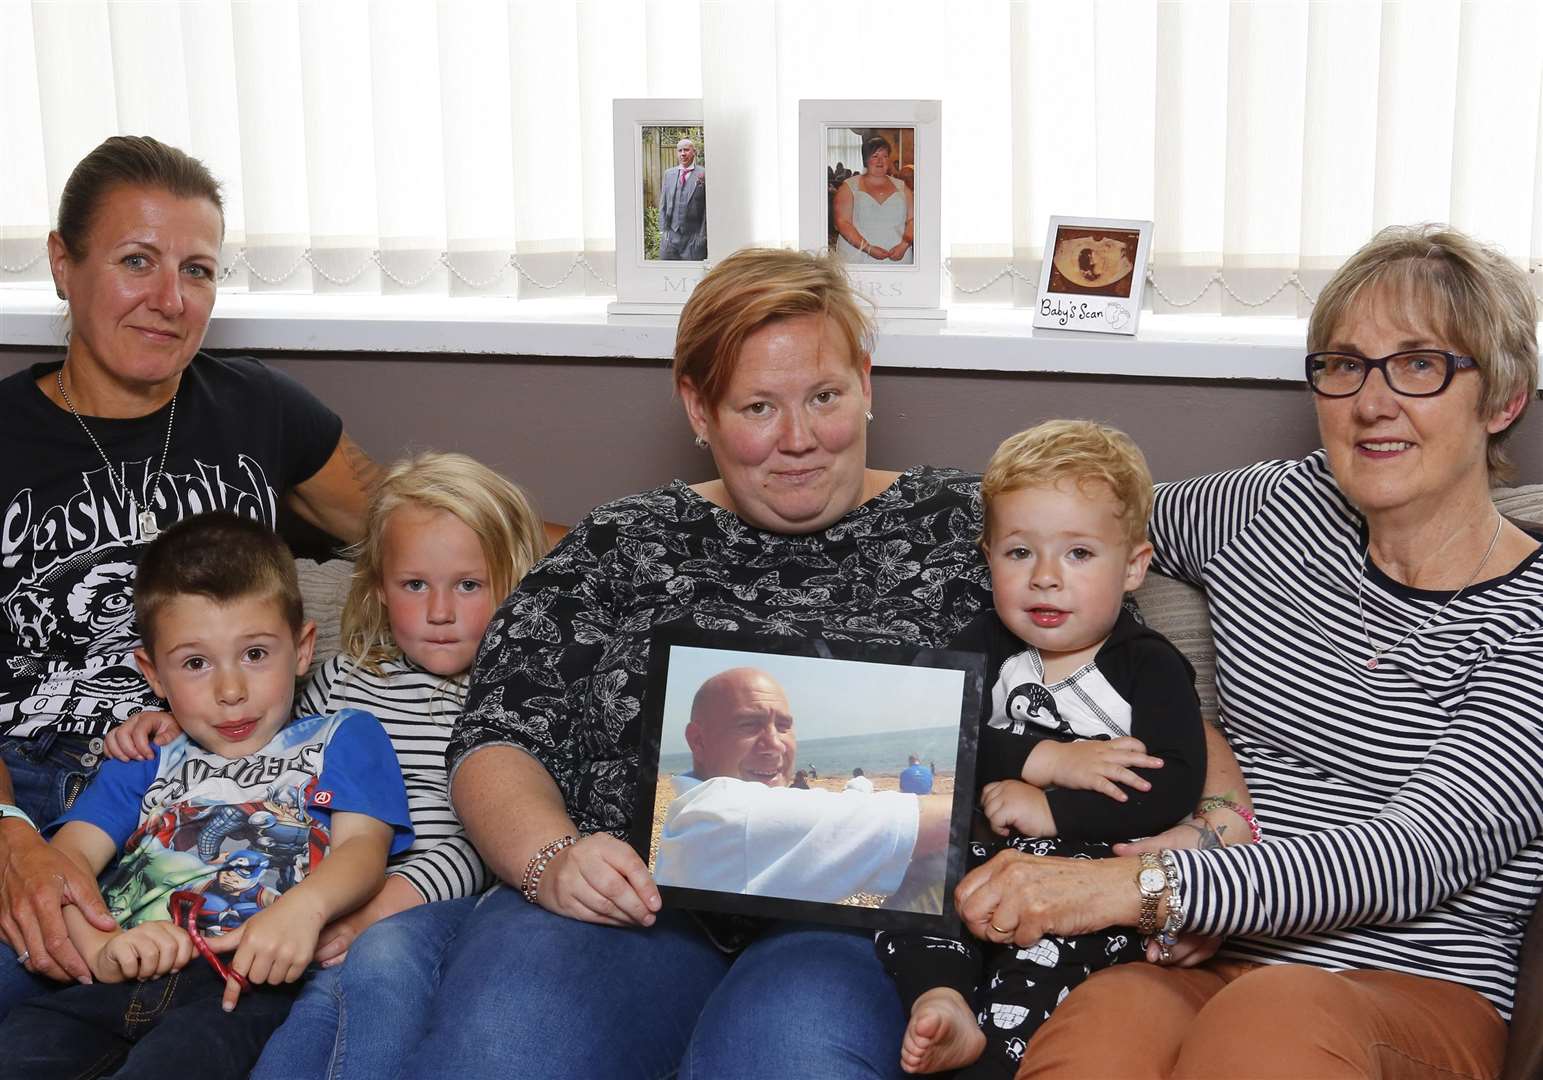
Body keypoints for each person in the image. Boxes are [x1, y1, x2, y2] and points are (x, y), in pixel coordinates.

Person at [365, 247, 1234, 1080]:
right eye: (756, 408)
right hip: (621, 906)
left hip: (863, 930)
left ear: (866, 383)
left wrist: (1199, 856)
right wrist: (549, 858)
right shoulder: (622, 543)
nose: (797, 440)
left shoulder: (976, 529)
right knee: (511, 1037)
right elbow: (497, 732)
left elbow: (1124, 689)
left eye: (823, 395)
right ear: (698, 409)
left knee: (789, 1047)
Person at [956, 225, 1541, 1079]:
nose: (1370, 403)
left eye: (1419, 365)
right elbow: (1077, 525)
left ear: (1502, 400)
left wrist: (1144, 888)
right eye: (1344, 365)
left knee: (1274, 1017)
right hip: (1207, 958)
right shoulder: (1273, 508)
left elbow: (1409, 856)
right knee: (1102, 1024)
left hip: (1413, 988)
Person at [0, 135, 378, 1001]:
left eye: (199, 271)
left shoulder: (259, 406)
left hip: (210, 786)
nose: (171, 300)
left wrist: (634, 528)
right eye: (138, 261)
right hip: (30, 787)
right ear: (64, 263)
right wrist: (11, 836)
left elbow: (432, 528)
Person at [101, 452, 546, 1078]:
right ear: (379, 588)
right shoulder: (342, 681)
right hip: (313, 887)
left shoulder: (515, 701)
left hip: (422, 898)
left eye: (468, 585)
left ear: (515, 585)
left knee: (379, 965)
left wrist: (380, 906)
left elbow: (478, 840)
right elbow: (256, 733)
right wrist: (174, 723)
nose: (440, 611)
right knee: (287, 1011)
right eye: (415, 585)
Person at [0, 513, 411, 1079]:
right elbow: (65, 862)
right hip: (115, 974)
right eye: (195, 663)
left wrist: (303, 908)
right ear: (155, 675)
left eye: (256, 654)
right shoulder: (146, 755)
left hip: (244, 985)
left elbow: (363, 849)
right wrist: (100, 950)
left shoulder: (343, 736)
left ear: (301, 649)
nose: (231, 691)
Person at [877, 420, 1208, 1078]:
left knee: (1042, 972)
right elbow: (927, 739)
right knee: (906, 891)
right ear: (987, 556)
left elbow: (1172, 783)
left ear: (1133, 566)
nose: (1045, 578)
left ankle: (992, 1054)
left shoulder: (1146, 667)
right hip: (974, 855)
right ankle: (941, 999)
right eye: (1019, 553)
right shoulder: (982, 646)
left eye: (1079, 554)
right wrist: (1040, 761)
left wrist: (1054, 812)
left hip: (1079, 873)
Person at [653, 667, 951, 904]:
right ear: (698, 741)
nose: (774, 745)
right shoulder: (731, 813)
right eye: (748, 725)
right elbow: (943, 822)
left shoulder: (690, 807)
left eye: (783, 726)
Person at [833, 135, 914, 265]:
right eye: (875, 156)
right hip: (857, 256)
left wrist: (904, 245)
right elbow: (842, 222)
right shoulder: (848, 186)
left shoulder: (902, 187)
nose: (880, 161)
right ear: (865, 159)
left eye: (885, 156)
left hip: (898, 256)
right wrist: (868, 248)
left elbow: (913, 220)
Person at [658, 136, 706, 261]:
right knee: (667, 274)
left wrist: (702, 237)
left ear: (694, 152)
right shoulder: (669, 174)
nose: (683, 154)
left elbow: (708, 209)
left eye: (686, 150)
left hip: (692, 239)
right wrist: (663, 232)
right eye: (680, 151)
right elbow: (663, 203)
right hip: (670, 238)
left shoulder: (704, 174)